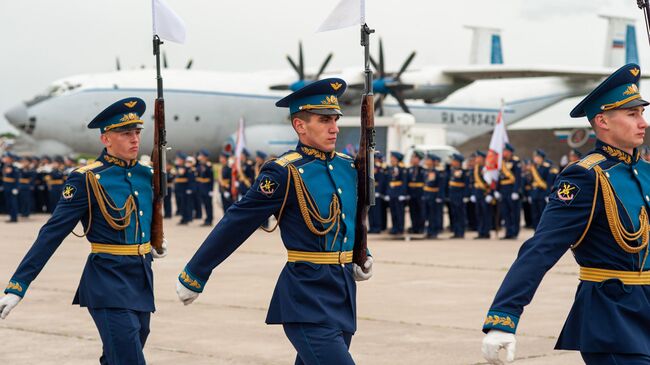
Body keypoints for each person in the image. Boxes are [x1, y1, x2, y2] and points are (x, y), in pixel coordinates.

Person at [175, 78, 373, 365]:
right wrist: (196, 272)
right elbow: (237, 222)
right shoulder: (284, 172)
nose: (335, 127)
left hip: (343, 293)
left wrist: (361, 253)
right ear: (300, 126)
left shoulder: (347, 166)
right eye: (324, 120)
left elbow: (350, 219)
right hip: (307, 296)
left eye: (335, 119)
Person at [481, 63, 650, 364]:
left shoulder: (645, 172)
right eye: (632, 114)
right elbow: (543, 247)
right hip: (613, 318)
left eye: (642, 113)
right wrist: (503, 316)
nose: (643, 123)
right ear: (603, 121)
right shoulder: (585, 177)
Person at [0, 97, 168, 365]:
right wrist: (18, 285)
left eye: (137, 132)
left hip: (141, 278)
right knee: (129, 357)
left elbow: (145, 215)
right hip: (107, 280)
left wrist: (152, 240)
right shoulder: (86, 178)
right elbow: (51, 233)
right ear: (106, 139)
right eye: (126, 134)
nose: (135, 139)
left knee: (122, 352)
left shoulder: (146, 174)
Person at [497, 143, 522, 239]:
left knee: (514, 213)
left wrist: (515, 191)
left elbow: (518, 178)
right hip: (503, 190)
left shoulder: (516, 161)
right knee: (505, 213)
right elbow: (500, 177)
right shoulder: (502, 162)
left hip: (512, 190)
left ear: (510, 152)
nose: (504, 153)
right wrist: (497, 190)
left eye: (506, 151)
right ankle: (508, 232)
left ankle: (514, 232)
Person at [472, 150, 493, 239]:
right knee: (479, 213)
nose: (476, 159)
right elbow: (473, 182)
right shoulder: (476, 168)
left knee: (486, 214)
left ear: (483, 158)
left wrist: (491, 194)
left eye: (478, 158)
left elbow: (492, 182)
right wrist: (473, 193)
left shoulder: (488, 168)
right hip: (478, 194)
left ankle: (486, 232)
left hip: (485, 194)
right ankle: (480, 231)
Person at [423, 153, 445, 239]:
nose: (426, 161)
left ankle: (433, 231)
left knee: (433, 215)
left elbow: (441, 186)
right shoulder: (426, 171)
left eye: (428, 160)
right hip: (427, 195)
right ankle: (428, 231)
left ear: (432, 162)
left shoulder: (437, 172)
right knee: (427, 215)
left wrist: (440, 197)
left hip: (434, 195)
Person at [448, 153, 469, 238]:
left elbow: (466, 185)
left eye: (454, 161)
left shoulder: (463, 172)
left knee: (460, 215)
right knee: (454, 214)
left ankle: (461, 232)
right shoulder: (452, 171)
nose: (452, 162)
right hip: (453, 196)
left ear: (458, 162)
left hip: (460, 196)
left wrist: (465, 196)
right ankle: (456, 232)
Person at [387, 151, 408, 235]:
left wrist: (403, 194)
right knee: (393, 212)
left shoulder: (402, 169)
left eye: (392, 158)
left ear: (397, 159)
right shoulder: (391, 168)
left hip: (399, 193)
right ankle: (394, 227)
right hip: (392, 193)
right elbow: (388, 181)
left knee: (400, 212)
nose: (391, 159)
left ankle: (400, 228)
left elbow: (404, 182)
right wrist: (388, 193)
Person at [528, 149, 549, 229]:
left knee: (542, 215)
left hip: (542, 194)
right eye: (535, 157)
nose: (535, 159)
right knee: (534, 215)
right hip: (534, 194)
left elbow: (549, 183)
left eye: (537, 157)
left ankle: (542, 231)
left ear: (542, 158)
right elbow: (530, 182)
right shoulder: (533, 168)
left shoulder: (546, 168)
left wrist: (548, 194)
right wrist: (530, 194)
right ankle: (535, 231)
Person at [407, 150, 426, 234]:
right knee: (412, 211)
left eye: (414, 157)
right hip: (412, 192)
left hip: (420, 192)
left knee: (421, 211)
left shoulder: (423, 170)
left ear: (419, 159)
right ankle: (414, 227)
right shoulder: (409, 169)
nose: (412, 159)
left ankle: (421, 227)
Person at [196, 149, 214, 226]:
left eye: (201, 156)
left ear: (205, 157)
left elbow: (210, 179)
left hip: (207, 189)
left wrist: (211, 190)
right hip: (202, 189)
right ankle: (207, 219)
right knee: (205, 205)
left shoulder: (208, 166)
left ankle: (209, 220)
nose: (200, 157)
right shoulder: (200, 165)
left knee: (208, 205)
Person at [2, 152, 19, 222]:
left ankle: (14, 218)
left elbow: (17, 179)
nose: (5, 159)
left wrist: (16, 188)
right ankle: (11, 217)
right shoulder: (5, 166)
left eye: (6, 157)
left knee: (13, 203)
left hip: (12, 188)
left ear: (10, 159)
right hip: (6, 187)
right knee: (9, 203)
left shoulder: (14, 167)